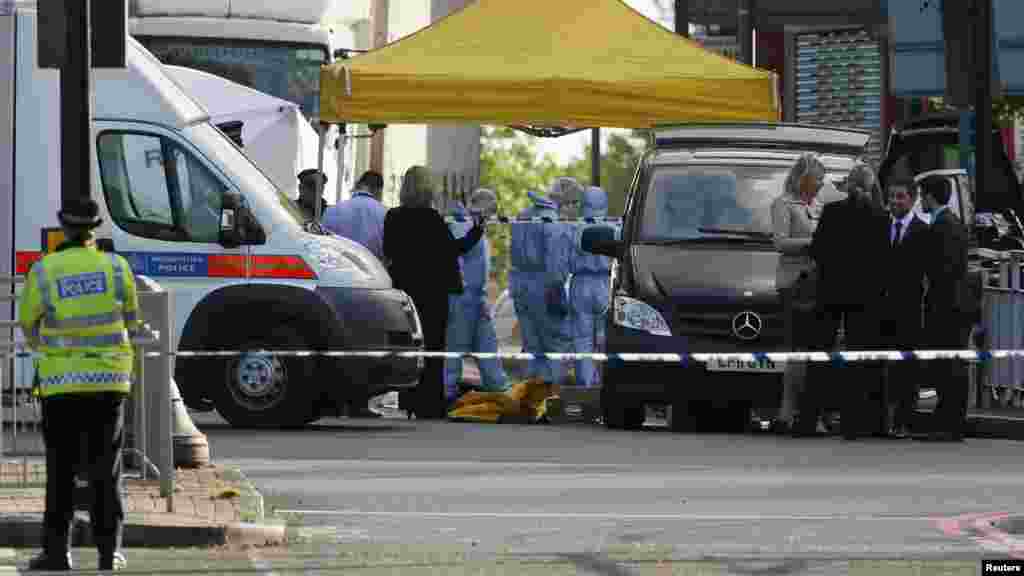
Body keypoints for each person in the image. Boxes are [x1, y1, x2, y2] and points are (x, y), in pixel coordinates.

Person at [19, 196, 140, 572]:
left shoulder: (45, 269)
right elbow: (132, 321)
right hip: (109, 383)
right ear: (96, 226)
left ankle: (57, 553)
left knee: (61, 471)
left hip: (61, 385)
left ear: (63, 226)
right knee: (108, 470)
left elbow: (28, 323)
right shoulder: (117, 268)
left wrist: (51, 352)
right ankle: (108, 553)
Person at [383, 166, 485, 419]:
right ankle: (429, 403)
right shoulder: (430, 218)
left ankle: (409, 399)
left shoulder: (393, 216)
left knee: (411, 346)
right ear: (427, 189)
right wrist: (477, 231)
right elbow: (453, 249)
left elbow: (388, 250)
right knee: (434, 346)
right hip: (432, 292)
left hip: (405, 289)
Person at [809, 162, 890, 441]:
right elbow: (883, 260)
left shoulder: (831, 212)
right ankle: (856, 421)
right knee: (859, 358)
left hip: (830, 292)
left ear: (848, 185)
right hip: (865, 298)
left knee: (820, 352)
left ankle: (810, 417)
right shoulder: (881, 216)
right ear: (870, 187)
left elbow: (817, 250)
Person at [770, 153, 825, 433]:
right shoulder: (782, 204)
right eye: (817, 180)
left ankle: (809, 412)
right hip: (793, 284)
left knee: (813, 351)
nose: (820, 186)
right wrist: (814, 243)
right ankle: (786, 412)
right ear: (802, 179)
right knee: (796, 351)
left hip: (815, 284)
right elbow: (780, 242)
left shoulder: (817, 205)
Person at [918, 175, 970, 442]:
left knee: (947, 365)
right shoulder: (955, 223)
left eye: (921, 195)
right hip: (957, 304)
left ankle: (948, 422)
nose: (920, 201)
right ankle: (951, 420)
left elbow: (941, 270)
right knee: (954, 363)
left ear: (929, 196)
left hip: (945, 306)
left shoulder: (941, 226)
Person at [444, 188, 508, 400]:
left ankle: (498, 388)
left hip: (475, 298)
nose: (491, 219)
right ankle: (447, 393)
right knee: (454, 349)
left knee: (486, 345)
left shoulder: (473, 228)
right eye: (490, 213)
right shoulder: (460, 225)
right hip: (461, 297)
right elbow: (458, 258)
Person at [882, 175, 930, 439]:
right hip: (883, 310)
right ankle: (884, 420)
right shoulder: (881, 227)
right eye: (891, 197)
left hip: (910, 311)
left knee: (907, 370)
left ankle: (904, 421)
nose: (895, 202)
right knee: (886, 367)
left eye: (900, 197)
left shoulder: (923, 231)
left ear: (912, 199)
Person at [569, 186, 612, 389]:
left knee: (582, 339)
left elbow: (566, 260)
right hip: (605, 284)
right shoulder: (614, 226)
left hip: (581, 284)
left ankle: (585, 384)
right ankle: (606, 383)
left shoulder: (575, 226)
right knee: (606, 338)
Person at [322, 170, 387, 262]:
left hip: (339, 269)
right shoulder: (385, 214)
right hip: (372, 272)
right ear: (379, 191)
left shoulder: (332, 210)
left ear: (358, 186)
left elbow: (323, 247)